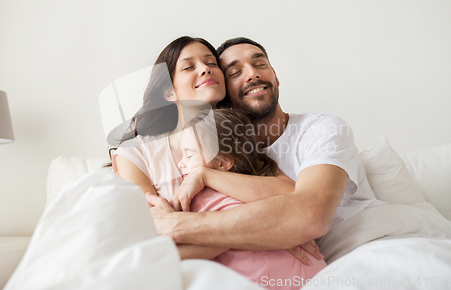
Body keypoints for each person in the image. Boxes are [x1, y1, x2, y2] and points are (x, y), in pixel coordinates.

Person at [146, 37, 384, 256]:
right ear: (223, 91)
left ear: (275, 76)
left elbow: (312, 216)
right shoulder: (224, 157)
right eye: (236, 72)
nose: (252, 74)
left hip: (370, 244)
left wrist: (177, 224)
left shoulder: (323, 129)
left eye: (260, 64)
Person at [110, 36, 322, 263]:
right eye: (189, 67)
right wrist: (264, 232)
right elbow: (151, 245)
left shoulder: (236, 135)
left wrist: (205, 175)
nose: (205, 69)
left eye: (212, 63)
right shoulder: (136, 153)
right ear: (168, 92)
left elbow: (289, 194)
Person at [176, 108, 327, 289]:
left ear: (223, 162)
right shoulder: (252, 184)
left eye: (189, 155)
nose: (180, 163)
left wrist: (203, 175)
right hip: (314, 274)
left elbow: (293, 194)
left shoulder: (200, 194)